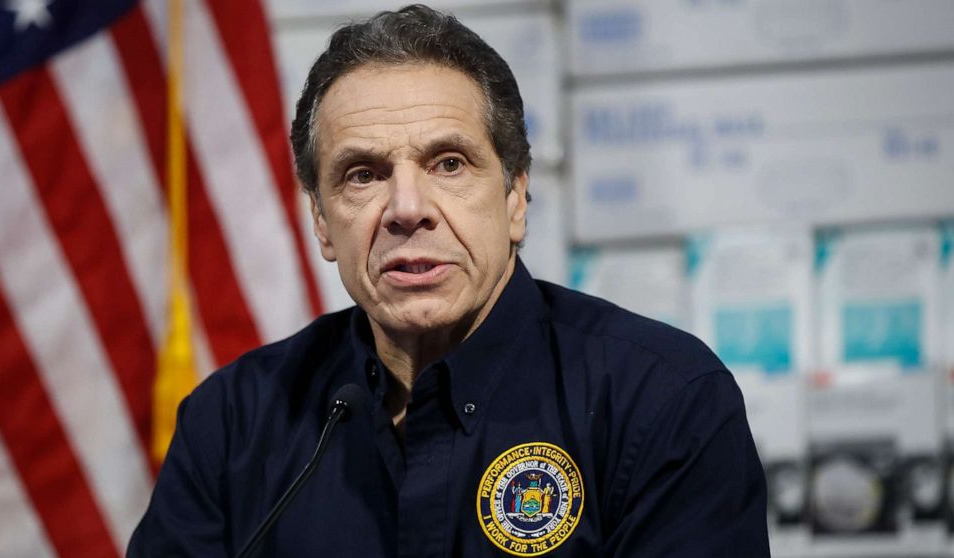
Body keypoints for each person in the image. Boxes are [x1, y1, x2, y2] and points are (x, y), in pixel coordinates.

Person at [128, 5, 769, 557]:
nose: (408, 208)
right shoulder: (233, 422)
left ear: (516, 198)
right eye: (363, 175)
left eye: (449, 163)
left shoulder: (662, 400)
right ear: (322, 223)